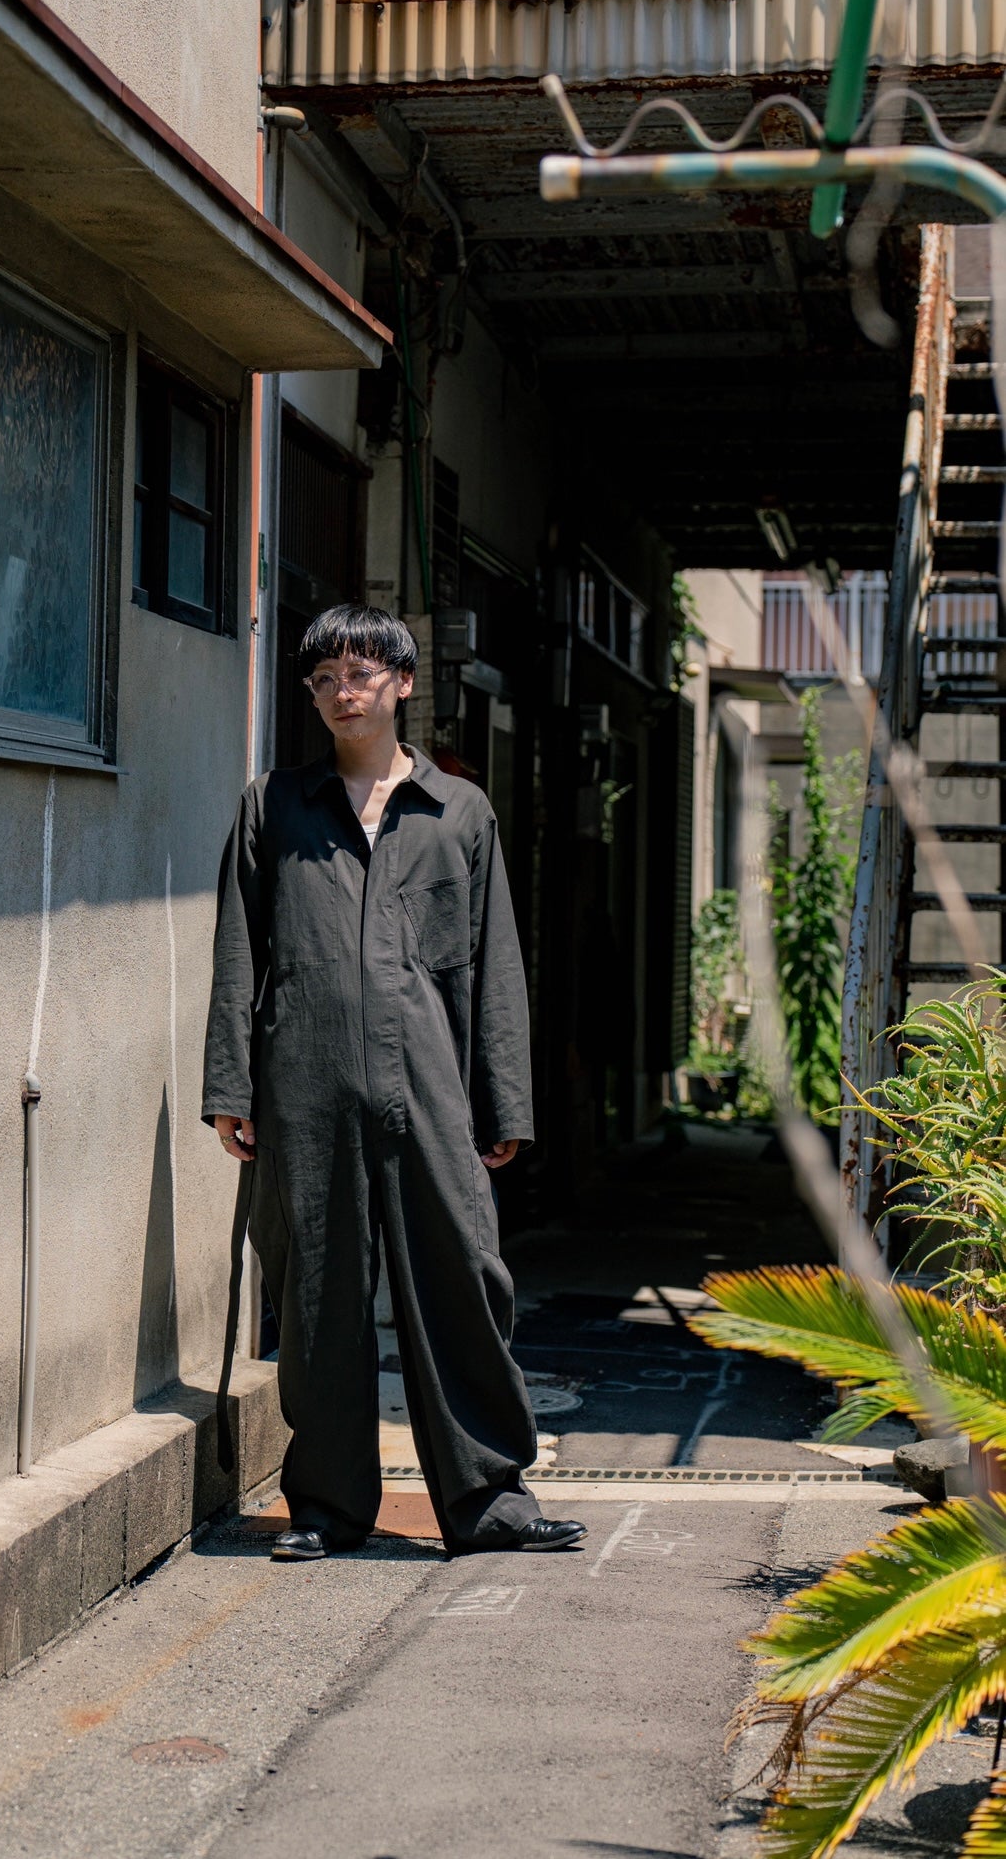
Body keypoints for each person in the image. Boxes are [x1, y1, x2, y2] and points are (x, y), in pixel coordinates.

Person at [203, 605, 584, 1561]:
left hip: (429, 1091)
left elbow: (496, 965)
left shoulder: (459, 812)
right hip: (308, 1088)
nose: (344, 691)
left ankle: (490, 1500)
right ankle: (328, 1506)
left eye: (363, 673)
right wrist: (231, 1086)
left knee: (464, 1283)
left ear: (403, 683)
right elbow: (239, 950)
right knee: (320, 1293)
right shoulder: (274, 806)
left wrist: (503, 1100)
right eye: (325, 677)